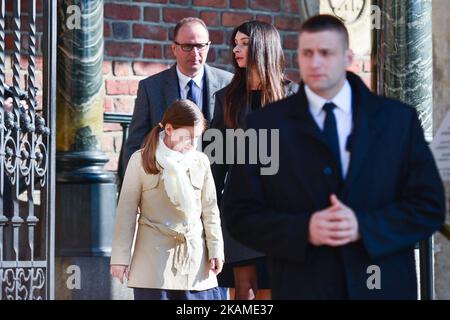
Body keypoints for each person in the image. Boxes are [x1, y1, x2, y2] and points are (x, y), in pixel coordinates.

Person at [221, 14, 446, 299]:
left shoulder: (398, 121)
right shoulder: (264, 124)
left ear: (347, 57)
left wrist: (364, 226)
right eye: (307, 53)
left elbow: (428, 208)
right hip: (301, 283)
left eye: (326, 52)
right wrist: (304, 229)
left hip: (379, 284)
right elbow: (240, 212)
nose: (316, 62)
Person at [209, 21, 298, 300]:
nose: (236, 49)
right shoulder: (227, 98)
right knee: (243, 289)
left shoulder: (294, 97)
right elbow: (216, 162)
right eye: (235, 43)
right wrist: (207, 212)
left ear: (263, 46)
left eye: (244, 43)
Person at [110, 99, 225, 300]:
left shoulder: (201, 161)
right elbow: (126, 213)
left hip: (194, 261)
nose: (193, 143)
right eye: (187, 137)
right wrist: (120, 258)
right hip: (153, 264)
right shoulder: (141, 159)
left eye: (197, 137)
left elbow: (210, 210)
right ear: (170, 129)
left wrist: (216, 250)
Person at [120, 17, 233, 180]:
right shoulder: (151, 88)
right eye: (187, 46)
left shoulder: (228, 83)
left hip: (214, 186)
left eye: (200, 46)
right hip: (165, 185)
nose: (195, 53)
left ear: (208, 46)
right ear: (174, 48)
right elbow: (136, 145)